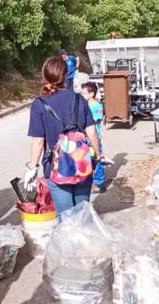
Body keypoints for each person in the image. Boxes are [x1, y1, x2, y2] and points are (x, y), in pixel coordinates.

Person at [24, 57, 103, 213]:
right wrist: (98, 155)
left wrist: (32, 168)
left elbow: (38, 141)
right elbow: (92, 132)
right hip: (81, 163)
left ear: (44, 76)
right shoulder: (79, 99)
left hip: (56, 167)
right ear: (66, 75)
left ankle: (69, 237)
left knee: (66, 218)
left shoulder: (39, 104)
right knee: (82, 214)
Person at [80, 82, 107, 193]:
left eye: (84, 93)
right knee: (89, 160)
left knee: (97, 159)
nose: (82, 95)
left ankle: (99, 184)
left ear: (91, 94)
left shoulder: (96, 106)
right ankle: (90, 181)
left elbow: (92, 121)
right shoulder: (85, 105)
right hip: (85, 139)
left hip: (93, 138)